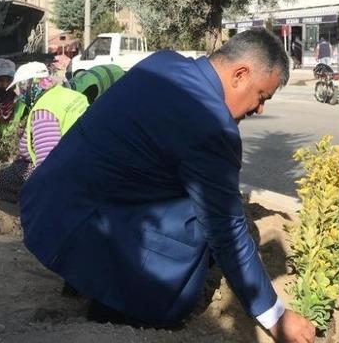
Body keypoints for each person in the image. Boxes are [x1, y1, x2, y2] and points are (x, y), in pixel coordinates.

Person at [18, 29, 316, 342]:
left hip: (49, 211)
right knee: (201, 227)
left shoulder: (162, 63)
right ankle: (116, 303)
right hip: (90, 225)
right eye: (261, 96)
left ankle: (81, 275)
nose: (259, 110)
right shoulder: (213, 126)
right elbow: (226, 230)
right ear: (240, 75)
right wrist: (276, 316)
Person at [0, 61, 89, 203]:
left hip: (72, 173)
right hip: (90, 161)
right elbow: (28, 147)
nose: (17, 92)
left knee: (4, 179)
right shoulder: (69, 95)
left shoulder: (43, 112)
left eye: (19, 87)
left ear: (29, 84)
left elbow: (48, 165)